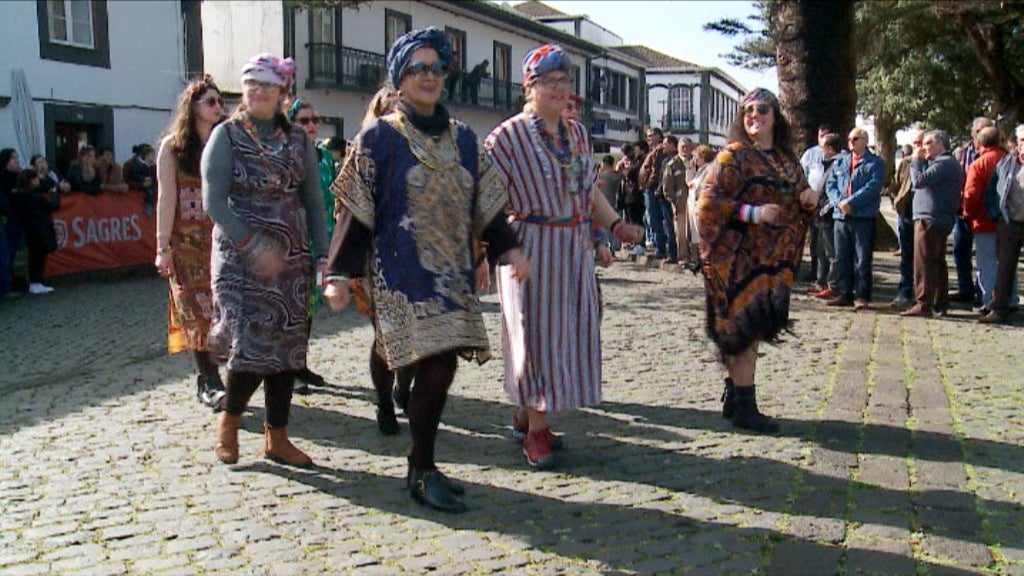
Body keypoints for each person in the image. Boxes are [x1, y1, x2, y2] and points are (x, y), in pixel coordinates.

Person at [325, 28, 528, 512]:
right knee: (430, 364)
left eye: (436, 68)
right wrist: (339, 274)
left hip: (452, 274)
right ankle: (422, 466)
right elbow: (357, 209)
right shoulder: (379, 137)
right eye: (417, 69)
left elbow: (489, 204)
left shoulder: (463, 137)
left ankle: (422, 466)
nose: (429, 77)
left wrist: (509, 249)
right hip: (399, 274)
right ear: (400, 79)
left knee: (441, 369)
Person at [485, 43, 644, 470]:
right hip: (529, 246)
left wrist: (611, 227)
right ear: (529, 86)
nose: (559, 90)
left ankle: (526, 414)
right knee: (533, 335)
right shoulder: (507, 137)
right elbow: (486, 199)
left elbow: (587, 190)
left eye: (564, 81)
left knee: (566, 335)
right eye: (549, 82)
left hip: (572, 249)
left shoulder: (575, 134)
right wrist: (499, 251)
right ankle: (536, 430)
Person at [202, 53, 329, 468]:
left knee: (289, 347)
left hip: (290, 257)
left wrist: (323, 254)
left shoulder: (297, 141)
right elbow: (214, 202)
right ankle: (230, 422)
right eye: (251, 83)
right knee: (250, 344)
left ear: (283, 92)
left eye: (267, 84)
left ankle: (278, 436)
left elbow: (312, 201)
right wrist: (252, 245)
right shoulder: (227, 135)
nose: (257, 91)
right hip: (240, 258)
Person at [697, 88, 819, 433]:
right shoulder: (732, 157)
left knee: (750, 335)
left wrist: (809, 200)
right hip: (736, 263)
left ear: (775, 116)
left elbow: (797, 201)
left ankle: (735, 397)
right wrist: (752, 213)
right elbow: (707, 204)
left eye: (762, 110)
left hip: (770, 266)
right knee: (741, 333)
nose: (754, 116)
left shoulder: (785, 161)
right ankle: (745, 409)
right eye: (747, 111)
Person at [155, 75, 228, 411]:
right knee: (197, 312)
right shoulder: (173, 147)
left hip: (221, 241)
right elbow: (166, 198)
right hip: (185, 245)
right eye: (210, 102)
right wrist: (162, 248)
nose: (218, 108)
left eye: (219, 102)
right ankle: (210, 380)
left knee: (222, 310)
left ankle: (213, 376)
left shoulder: (226, 140)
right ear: (193, 107)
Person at [284, 97, 332, 394]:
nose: (312, 125)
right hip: (295, 244)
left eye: (315, 120)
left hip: (320, 244)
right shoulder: (288, 156)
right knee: (294, 308)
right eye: (304, 121)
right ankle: (287, 370)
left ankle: (300, 363)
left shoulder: (324, 155)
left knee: (310, 306)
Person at [901, 130, 964, 317]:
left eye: (927, 143)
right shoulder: (944, 163)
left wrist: (915, 160)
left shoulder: (944, 163)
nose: (922, 147)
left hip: (930, 219)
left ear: (940, 144)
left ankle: (923, 303)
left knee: (924, 262)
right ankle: (940, 301)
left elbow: (919, 181)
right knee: (936, 262)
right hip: (935, 218)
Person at [823, 127, 885, 310]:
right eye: (849, 139)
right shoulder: (841, 162)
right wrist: (839, 202)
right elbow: (831, 184)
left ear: (865, 141)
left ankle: (862, 295)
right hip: (841, 217)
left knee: (862, 259)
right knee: (842, 257)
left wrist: (852, 202)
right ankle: (844, 293)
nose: (851, 142)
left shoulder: (875, 163)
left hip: (863, 217)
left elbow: (873, 187)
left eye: (856, 139)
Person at [979, 124, 1024, 323]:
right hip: (1009, 222)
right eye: (1022, 141)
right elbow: (992, 189)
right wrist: (995, 214)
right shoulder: (1007, 162)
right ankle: (999, 309)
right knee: (1004, 267)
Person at [961, 126, 1009, 314]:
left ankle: (989, 299)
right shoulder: (1009, 159)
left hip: (983, 220)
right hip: (1008, 220)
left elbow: (971, 194)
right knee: (1006, 261)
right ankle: (1009, 298)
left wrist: (967, 213)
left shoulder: (979, 164)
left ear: (978, 142)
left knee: (986, 262)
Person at [887, 130, 923, 309]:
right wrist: (896, 201)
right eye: (915, 143)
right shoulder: (905, 163)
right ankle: (904, 290)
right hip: (906, 215)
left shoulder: (931, 163)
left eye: (920, 142)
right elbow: (895, 184)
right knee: (906, 256)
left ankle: (923, 294)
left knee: (924, 258)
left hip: (924, 216)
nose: (918, 146)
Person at [9, 169, 59, 294]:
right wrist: (54, 194)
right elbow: (52, 205)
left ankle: (37, 281)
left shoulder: (22, 194)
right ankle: (35, 282)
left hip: (31, 228)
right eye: (36, 178)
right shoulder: (32, 196)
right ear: (31, 181)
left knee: (36, 255)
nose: (39, 180)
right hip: (38, 228)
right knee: (38, 256)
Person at [809, 133, 843, 300]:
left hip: (828, 214)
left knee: (831, 252)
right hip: (821, 213)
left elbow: (837, 190)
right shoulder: (828, 164)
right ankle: (821, 281)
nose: (821, 151)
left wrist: (826, 207)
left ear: (830, 148)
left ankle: (833, 285)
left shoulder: (838, 164)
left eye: (823, 147)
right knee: (820, 250)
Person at [686, 144, 716, 268]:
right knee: (695, 234)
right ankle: (699, 260)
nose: (695, 159)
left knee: (702, 234)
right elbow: (689, 183)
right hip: (693, 204)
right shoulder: (699, 170)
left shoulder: (709, 169)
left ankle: (706, 260)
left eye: (697, 156)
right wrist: (689, 170)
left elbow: (699, 186)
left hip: (702, 205)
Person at [0, 148, 22, 297]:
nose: (17, 161)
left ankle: (8, 284)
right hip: (7, 219)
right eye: (13, 158)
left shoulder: (19, 177)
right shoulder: (3, 178)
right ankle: (4, 288)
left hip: (15, 218)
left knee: (10, 253)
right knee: (5, 253)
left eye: (17, 158)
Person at [124, 144, 156, 215]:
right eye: (151, 155)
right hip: (133, 199)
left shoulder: (152, 166)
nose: (153, 157)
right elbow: (126, 181)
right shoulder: (129, 165)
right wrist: (142, 184)